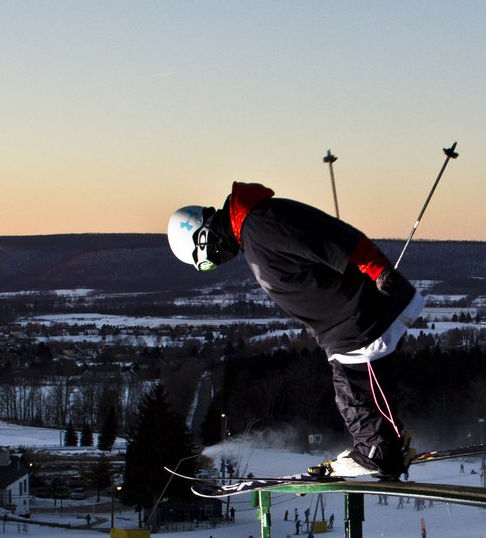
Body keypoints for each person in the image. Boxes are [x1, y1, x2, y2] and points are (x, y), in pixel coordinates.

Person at [168, 183, 424, 478]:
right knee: (358, 391)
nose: (216, 263)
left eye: (207, 261)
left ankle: (379, 451)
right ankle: (383, 445)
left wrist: (377, 268)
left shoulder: (262, 225)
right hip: (351, 322)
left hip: (360, 318)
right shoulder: (253, 231)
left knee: (353, 392)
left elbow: (329, 237)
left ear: (203, 236)